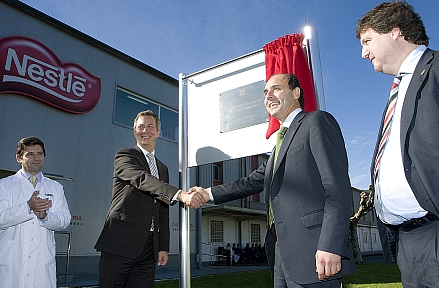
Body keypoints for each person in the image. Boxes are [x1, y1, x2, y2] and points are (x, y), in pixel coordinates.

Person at [192, 74, 355, 287]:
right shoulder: (280, 144)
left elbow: (337, 187)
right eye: (265, 92)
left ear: (296, 93)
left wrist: (331, 245)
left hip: (315, 251)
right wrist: (207, 193)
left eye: (276, 89)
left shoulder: (316, 121)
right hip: (282, 253)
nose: (269, 95)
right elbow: (250, 182)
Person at [356, 2, 439, 287]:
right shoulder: (398, 89)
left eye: (367, 41)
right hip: (408, 242)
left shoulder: (436, 68)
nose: (364, 52)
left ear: (395, 32)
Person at [95, 110, 205, 288]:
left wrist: (163, 246)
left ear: (158, 132)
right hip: (120, 241)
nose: (145, 130)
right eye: (140, 127)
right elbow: (142, 179)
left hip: (148, 247)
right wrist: (180, 194)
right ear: (134, 131)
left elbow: (162, 210)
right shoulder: (125, 156)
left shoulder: (163, 168)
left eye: (150, 126)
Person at [0, 136, 71, 288]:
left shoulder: (56, 187)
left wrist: (45, 216)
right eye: (30, 154)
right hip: (12, 264)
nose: (36, 158)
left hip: (41, 266)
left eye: (40, 153)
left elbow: (64, 220)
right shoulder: (4, 185)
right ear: (19, 158)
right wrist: (28, 207)